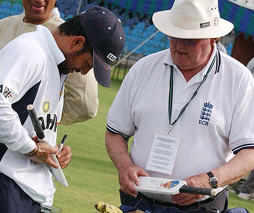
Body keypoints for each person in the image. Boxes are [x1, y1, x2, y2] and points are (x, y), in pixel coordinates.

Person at [105, 0, 254, 212]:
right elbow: (115, 133)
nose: (179, 46)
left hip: (202, 205)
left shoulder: (238, 79)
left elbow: (249, 153)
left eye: (190, 40)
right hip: (138, 201)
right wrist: (125, 166)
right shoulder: (143, 69)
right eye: (174, 37)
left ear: (214, 37)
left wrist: (208, 180)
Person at [0, 6, 125, 212]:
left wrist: (53, 151)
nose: (84, 72)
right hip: (0, 185)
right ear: (77, 42)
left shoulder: (56, 64)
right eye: (88, 63)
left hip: (24, 190)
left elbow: (30, 122)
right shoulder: (30, 50)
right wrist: (31, 149)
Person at [0, 0, 99, 126]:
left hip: (24, 138)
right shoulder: (1, 27)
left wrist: (40, 120)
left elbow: (85, 104)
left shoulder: (66, 39)